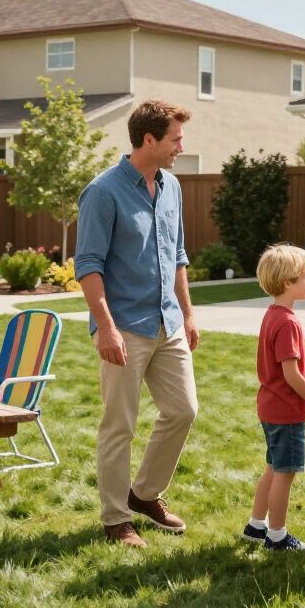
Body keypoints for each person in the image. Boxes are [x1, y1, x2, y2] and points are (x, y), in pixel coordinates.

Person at [74, 100, 199, 548]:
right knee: (119, 425)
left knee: (184, 410)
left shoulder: (172, 187)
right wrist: (104, 327)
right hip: (124, 325)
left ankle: (144, 494)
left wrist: (187, 313)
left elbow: (178, 255)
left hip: (167, 321)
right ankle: (115, 518)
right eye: (175, 139)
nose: (180, 146)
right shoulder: (103, 192)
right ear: (150, 139)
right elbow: (88, 265)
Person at [242, 243, 305, 552]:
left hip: (270, 406)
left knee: (273, 467)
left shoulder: (274, 314)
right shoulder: (287, 322)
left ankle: (256, 525)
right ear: (288, 282)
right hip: (286, 410)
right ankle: (277, 536)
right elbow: (291, 374)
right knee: (284, 473)